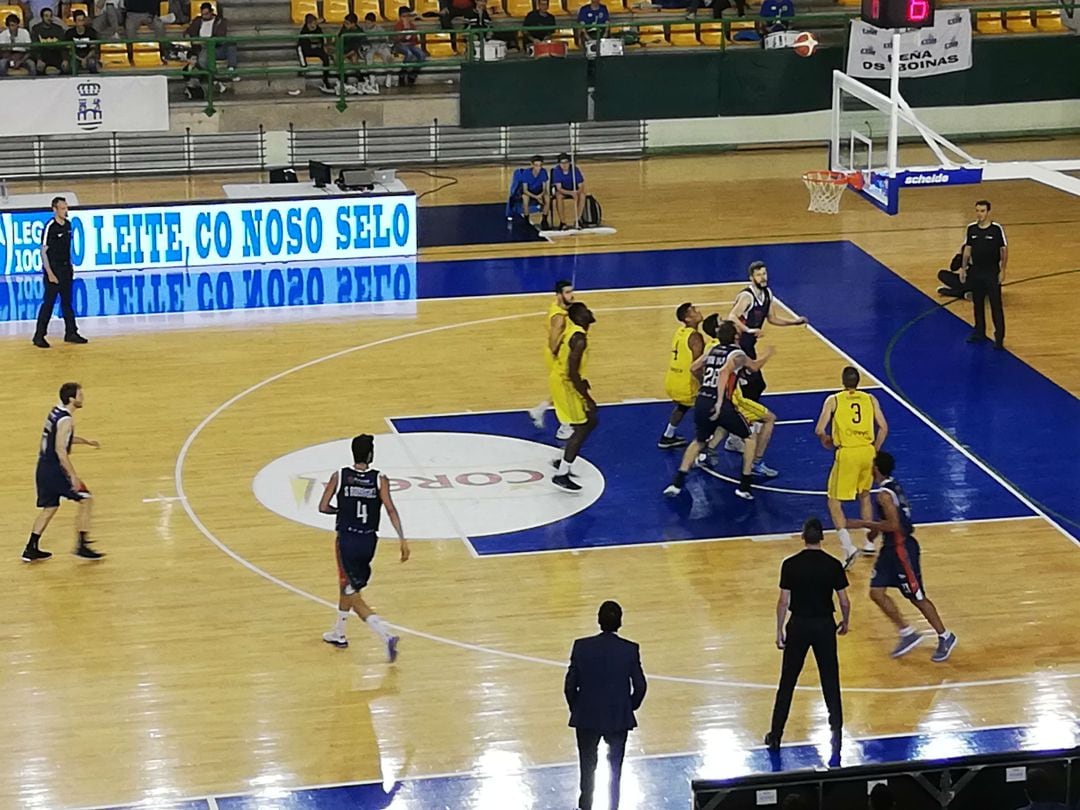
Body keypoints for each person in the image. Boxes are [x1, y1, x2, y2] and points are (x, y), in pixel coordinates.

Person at [846, 452, 958, 663]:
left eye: (871, 464)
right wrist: (872, 535)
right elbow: (887, 521)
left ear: (876, 468)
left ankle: (945, 635)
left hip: (902, 549)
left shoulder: (884, 495)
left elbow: (894, 525)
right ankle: (907, 632)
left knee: (916, 597)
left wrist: (862, 524)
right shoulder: (891, 487)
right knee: (876, 592)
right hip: (889, 548)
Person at [318, 434, 410, 662]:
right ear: (371, 455)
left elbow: (323, 507)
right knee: (346, 586)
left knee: (352, 592)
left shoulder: (339, 476)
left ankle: (385, 633)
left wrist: (339, 511)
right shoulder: (380, 479)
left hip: (347, 540)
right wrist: (402, 539)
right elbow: (390, 510)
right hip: (369, 541)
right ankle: (339, 633)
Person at [664, 320, 775, 500]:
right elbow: (751, 367)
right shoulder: (737, 354)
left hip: (702, 399)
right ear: (736, 337)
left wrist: (706, 383)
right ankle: (745, 486)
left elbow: (694, 368)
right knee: (750, 437)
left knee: (699, 440)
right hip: (720, 403)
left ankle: (677, 483)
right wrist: (767, 355)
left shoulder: (712, 350)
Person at [765, 518, 849, 755]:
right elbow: (844, 601)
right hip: (824, 625)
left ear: (803, 536)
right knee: (830, 680)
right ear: (822, 536)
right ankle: (837, 732)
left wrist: (779, 629)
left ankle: (775, 734)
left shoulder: (790, 564)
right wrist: (845, 621)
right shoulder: (833, 565)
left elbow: (783, 601)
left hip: (799, 625)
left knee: (787, 682)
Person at [564, 600, 647, 810]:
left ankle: (585, 807)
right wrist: (628, 707)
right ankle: (613, 807)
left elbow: (569, 686)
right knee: (615, 770)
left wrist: (579, 707)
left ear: (598, 620)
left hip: (587, 717)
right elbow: (640, 686)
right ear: (620, 622)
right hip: (618, 718)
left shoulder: (581, 647)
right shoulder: (630, 650)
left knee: (587, 768)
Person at [725, 260, 808, 452]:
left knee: (757, 385)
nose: (763, 277)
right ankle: (735, 434)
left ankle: (743, 424)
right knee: (749, 388)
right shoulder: (747, 296)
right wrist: (749, 329)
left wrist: (794, 322)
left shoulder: (768, 294)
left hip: (749, 347)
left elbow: (772, 318)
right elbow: (732, 316)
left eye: (765, 273)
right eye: (759, 275)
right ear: (751, 277)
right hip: (738, 347)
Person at [22, 382, 104, 562]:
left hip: (43, 468)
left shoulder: (55, 412)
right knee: (86, 499)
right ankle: (82, 546)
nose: (83, 398)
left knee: (50, 507)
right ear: (71, 399)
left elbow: (59, 439)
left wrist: (85, 441)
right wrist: (73, 476)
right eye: (80, 396)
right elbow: (60, 449)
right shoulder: (66, 420)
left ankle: (30, 548)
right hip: (55, 470)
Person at [814, 366, 887, 567]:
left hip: (847, 453)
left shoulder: (834, 400)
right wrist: (875, 450)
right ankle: (869, 543)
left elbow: (819, 429)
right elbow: (884, 427)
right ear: (858, 381)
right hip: (867, 452)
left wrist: (826, 440)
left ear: (843, 381)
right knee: (865, 496)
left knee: (834, 501)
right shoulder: (870, 399)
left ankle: (848, 549)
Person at [550, 301, 598, 492]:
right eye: (585, 311)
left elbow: (559, 353)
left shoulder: (574, 333)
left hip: (562, 379)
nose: (590, 311)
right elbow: (571, 372)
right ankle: (562, 474)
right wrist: (586, 397)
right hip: (565, 383)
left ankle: (564, 458)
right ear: (578, 317)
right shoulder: (579, 338)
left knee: (589, 422)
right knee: (582, 425)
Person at [33, 197, 88, 348]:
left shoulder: (68, 225)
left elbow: (66, 248)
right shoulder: (50, 226)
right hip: (54, 269)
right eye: (62, 208)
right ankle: (39, 336)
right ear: (55, 209)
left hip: (65, 269)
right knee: (49, 304)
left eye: (66, 208)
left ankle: (71, 332)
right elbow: (43, 252)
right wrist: (49, 272)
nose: (65, 211)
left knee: (67, 303)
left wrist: (70, 267)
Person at [528, 279, 575, 441]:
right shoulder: (559, 317)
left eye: (572, 291)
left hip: (555, 354)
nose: (572, 295)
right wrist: (559, 356)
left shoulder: (558, 308)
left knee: (562, 388)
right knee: (565, 389)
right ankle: (565, 426)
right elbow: (553, 340)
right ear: (559, 295)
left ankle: (540, 409)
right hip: (557, 355)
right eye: (568, 292)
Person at [962, 199, 1008, 350]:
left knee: (996, 306)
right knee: (978, 304)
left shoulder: (996, 229)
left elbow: (1003, 250)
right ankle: (979, 332)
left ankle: (999, 337)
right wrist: (963, 268)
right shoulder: (971, 229)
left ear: (988, 212)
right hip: (976, 272)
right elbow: (967, 249)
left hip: (991, 272)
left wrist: (1003, 269)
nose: (979, 214)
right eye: (977, 211)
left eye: (982, 211)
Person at [659, 302, 704, 450]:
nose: (698, 311)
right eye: (693, 311)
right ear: (687, 319)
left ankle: (668, 436)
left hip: (673, 380)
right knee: (706, 410)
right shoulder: (696, 337)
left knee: (682, 406)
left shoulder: (680, 332)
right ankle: (702, 448)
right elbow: (696, 368)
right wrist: (706, 384)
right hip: (687, 383)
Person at [185, 3, 239, 89]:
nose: (204, 16)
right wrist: (190, 38)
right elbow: (187, 32)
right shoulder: (197, 21)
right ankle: (214, 79)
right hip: (202, 48)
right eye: (202, 14)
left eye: (206, 14)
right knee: (203, 59)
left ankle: (232, 69)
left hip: (215, 47)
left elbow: (220, 37)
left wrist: (209, 41)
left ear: (212, 12)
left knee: (231, 44)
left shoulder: (220, 21)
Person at [296, 14, 335, 95]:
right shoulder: (304, 31)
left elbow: (321, 41)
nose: (313, 25)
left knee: (325, 57)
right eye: (311, 24)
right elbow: (302, 46)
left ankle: (326, 78)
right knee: (300, 50)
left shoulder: (318, 29)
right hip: (306, 50)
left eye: (314, 23)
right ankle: (302, 69)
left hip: (316, 50)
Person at [551, 153, 586, 229]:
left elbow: (581, 185)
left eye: (566, 162)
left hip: (574, 190)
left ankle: (578, 220)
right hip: (563, 191)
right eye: (562, 163)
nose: (564, 165)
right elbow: (559, 188)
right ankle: (563, 222)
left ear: (569, 162)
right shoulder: (556, 171)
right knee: (558, 197)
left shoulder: (575, 170)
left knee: (582, 196)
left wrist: (577, 192)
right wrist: (570, 193)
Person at [515, 155, 551, 229]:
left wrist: (541, 195)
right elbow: (525, 190)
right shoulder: (526, 173)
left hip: (539, 191)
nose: (538, 168)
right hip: (529, 192)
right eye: (536, 165)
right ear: (532, 165)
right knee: (525, 198)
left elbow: (544, 188)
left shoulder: (543, 172)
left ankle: (544, 219)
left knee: (547, 198)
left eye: (540, 165)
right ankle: (526, 219)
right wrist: (536, 197)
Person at [392, 7, 426, 86]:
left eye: (408, 16)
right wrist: (405, 30)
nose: (406, 18)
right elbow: (397, 39)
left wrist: (411, 31)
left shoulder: (412, 25)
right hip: (400, 45)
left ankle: (412, 75)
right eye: (404, 16)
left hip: (410, 45)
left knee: (422, 55)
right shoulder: (398, 25)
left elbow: (415, 39)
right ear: (400, 17)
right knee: (409, 54)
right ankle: (402, 74)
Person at [61, 10, 99, 75]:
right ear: (75, 22)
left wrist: (85, 59)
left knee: (92, 63)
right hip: (75, 57)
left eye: (82, 20)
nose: (81, 23)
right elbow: (69, 51)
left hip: (88, 56)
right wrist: (81, 59)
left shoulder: (91, 32)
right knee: (69, 66)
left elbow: (93, 50)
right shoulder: (69, 33)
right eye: (79, 20)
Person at [31, 8, 64, 74]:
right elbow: (35, 47)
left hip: (56, 56)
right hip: (43, 57)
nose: (49, 18)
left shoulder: (58, 29)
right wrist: (39, 59)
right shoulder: (36, 29)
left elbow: (63, 46)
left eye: (50, 16)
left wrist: (65, 59)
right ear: (42, 17)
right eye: (46, 16)